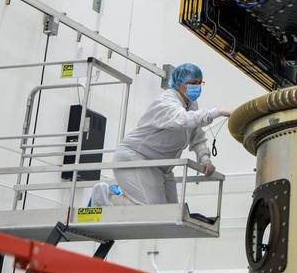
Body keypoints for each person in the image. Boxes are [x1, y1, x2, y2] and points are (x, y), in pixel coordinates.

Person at [89, 63, 230, 209]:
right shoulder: (167, 100)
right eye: (193, 83)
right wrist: (216, 112)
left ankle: (118, 197)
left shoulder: (192, 105)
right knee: (150, 210)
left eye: (200, 83)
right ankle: (106, 197)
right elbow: (182, 119)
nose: (197, 87)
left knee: (170, 213)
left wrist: (205, 159)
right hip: (136, 158)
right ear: (178, 83)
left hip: (162, 167)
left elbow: (197, 136)